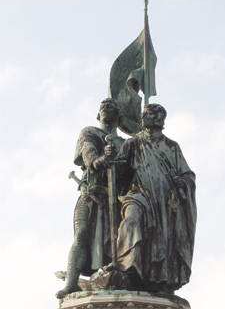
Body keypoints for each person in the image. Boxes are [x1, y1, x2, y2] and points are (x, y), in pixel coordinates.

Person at [109, 103, 196, 293]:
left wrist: (183, 182)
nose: (143, 117)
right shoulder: (133, 143)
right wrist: (111, 162)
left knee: (161, 239)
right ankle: (126, 265)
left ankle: (156, 276)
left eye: (148, 114)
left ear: (158, 119)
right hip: (139, 193)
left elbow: (188, 174)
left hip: (164, 201)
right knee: (131, 219)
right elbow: (121, 168)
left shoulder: (172, 147)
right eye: (144, 114)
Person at [56, 98, 124, 299]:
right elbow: (88, 153)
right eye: (102, 106)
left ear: (118, 115)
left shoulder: (125, 143)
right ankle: (71, 283)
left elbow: (131, 168)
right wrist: (99, 160)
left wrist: (118, 163)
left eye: (110, 107)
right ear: (98, 114)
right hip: (91, 193)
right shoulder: (90, 132)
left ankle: (114, 280)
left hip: (115, 198)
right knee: (82, 235)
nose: (105, 109)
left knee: (117, 243)